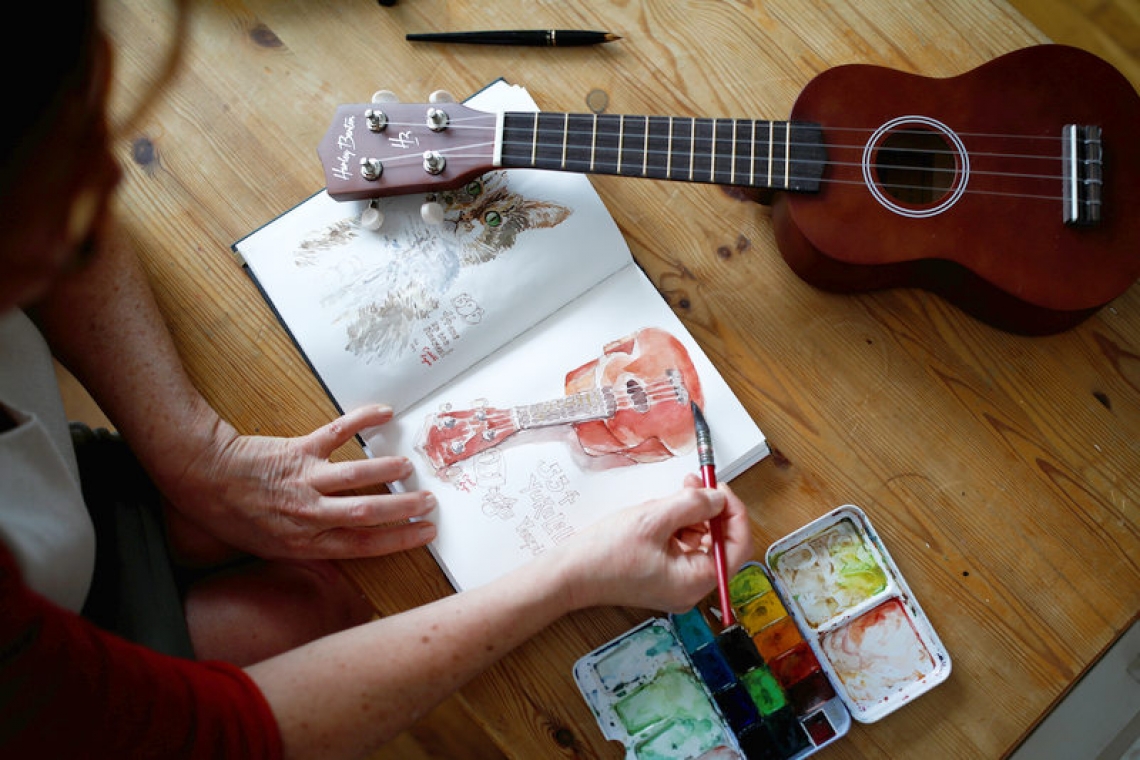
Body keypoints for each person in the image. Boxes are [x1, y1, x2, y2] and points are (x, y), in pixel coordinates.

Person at [0, 1, 756, 758]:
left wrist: (193, 453)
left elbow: (67, 197)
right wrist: (574, 575)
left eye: (90, 129)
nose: (107, 183)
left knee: (318, 564)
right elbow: (223, 737)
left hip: (57, 498)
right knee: (314, 610)